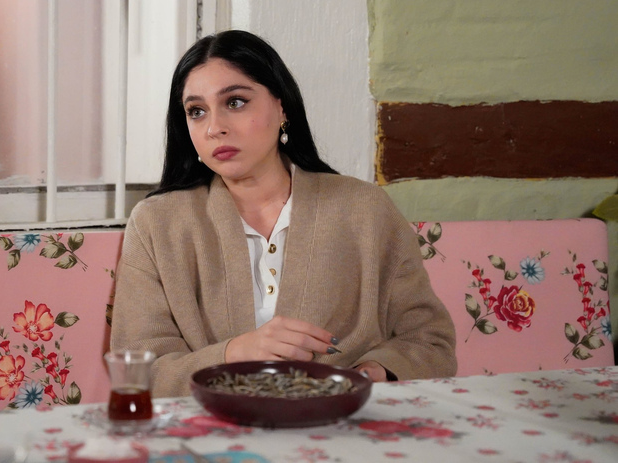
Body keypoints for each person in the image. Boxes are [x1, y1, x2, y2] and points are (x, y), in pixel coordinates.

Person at [110, 30, 457, 397]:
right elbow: (137, 370)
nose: (214, 128)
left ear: (282, 107)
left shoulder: (365, 209)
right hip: (210, 426)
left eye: (235, 102)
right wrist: (234, 353)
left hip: (343, 419)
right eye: (197, 111)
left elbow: (429, 340)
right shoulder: (156, 224)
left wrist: (375, 371)